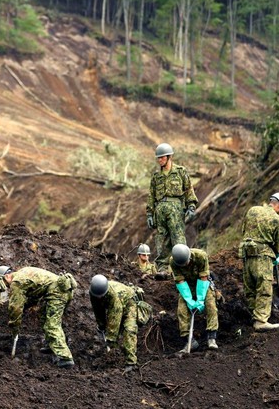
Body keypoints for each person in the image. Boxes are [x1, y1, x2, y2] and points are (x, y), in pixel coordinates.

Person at [0, 266, 77, 368]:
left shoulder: (16, 282)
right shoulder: (23, 272)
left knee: (52, 324)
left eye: (4, 284)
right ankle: (51, 344)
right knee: (44, 316)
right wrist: (24, 307)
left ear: (6, 276)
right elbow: (34, 295)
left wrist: (14, 325)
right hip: (62, 290)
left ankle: (65, 358)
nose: (6, 288)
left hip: (58, 292)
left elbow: (15, 308)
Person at [146, 143, 198, 274]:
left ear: (169, 157)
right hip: (160, 210)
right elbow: (151, 195)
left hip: (175, 209)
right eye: (158, 158)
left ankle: (184, 266)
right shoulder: (156, 177)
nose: (160, 160)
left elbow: (188, 190)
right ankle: (162, 269)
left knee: (178, 238)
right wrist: (149, 214)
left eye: (162, 157)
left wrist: (191, 206)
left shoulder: (180, 172)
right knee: (162, 239)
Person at [239, 193, 279, 331]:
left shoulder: (252, 210)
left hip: (246, 254)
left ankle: (252, 316)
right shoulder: (278, 220)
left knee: (250, 288)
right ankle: (260, 321)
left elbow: (243, 230)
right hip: (263, 257)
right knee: (264, 288)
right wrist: (276, 255)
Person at [170, 244, 218, 351]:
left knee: (210, 304)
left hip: (202, 282)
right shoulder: (173, 262)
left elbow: (204, 277)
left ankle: (211, 337)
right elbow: (180, 281)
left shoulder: (201, 256)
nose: (184, 266)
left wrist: (200, 299)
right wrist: (189, 300)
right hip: (187, 285)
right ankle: (190, 341)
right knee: (181, 310)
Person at [89, 274, 142, 372]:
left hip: (129, 303)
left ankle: (131, 362)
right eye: (98, 296)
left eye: (101, 296)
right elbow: (97, 309)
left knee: (129, 329)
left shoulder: (113, 296)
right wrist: (101, 325)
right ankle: (115, 360)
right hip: (112, 305)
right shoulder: (93, 293)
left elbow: (115, 319)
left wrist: (110, 339)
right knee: (110, 331)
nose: (99, 298)